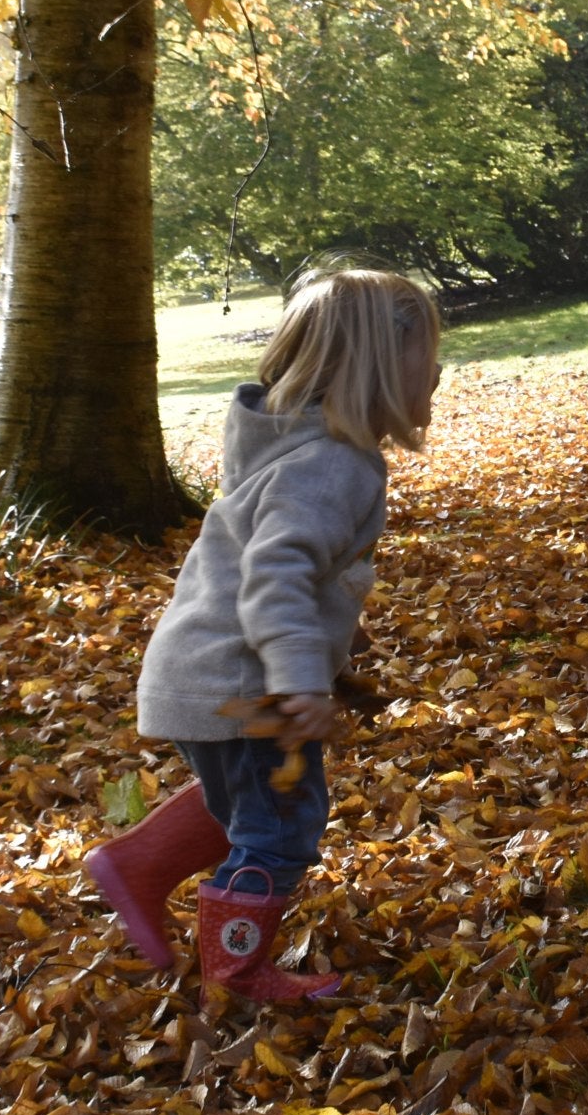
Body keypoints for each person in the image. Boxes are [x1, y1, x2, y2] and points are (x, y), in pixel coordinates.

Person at [83, 262, 443, 1003]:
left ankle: (139, 865)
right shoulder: (334, 466)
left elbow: (293, 566)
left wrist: (337, 647)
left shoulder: (292, 451)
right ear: (375, 366)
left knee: (247, 806)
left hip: (204, 669)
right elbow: (275, 572)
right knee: (282, 824)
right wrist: (300, 676)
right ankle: (238, 972)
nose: (436, 370)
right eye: (424, 356)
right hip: (248, 684)